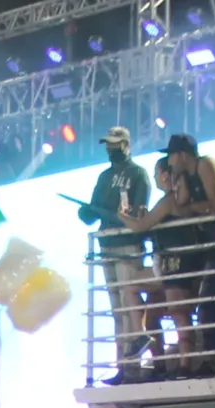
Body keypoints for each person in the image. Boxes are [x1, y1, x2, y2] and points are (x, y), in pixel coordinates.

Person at [135, 135, 215, 377]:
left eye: (171, 158)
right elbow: (183, 205)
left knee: (182, 311)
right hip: (188, 256)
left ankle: (183, 362)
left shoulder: (204, 165)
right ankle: (173, 360)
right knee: (178, 311)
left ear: (182, 154)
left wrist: (122, 215)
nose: (170, 164)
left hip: (188, 257)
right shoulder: (181, 187)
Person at [85, 126, 154, 379]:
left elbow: (139, 212)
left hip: (128, 243)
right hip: (106, 244)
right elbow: (92, 209)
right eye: (108, 145)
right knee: (117, 307)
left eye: (114, 145)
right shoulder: (104, 177)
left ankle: (133, 362)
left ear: (126, 145)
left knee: (129, 301)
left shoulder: (139, 173)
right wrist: (88, 213)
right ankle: (123, 365)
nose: (110, 150)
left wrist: (117, 216)